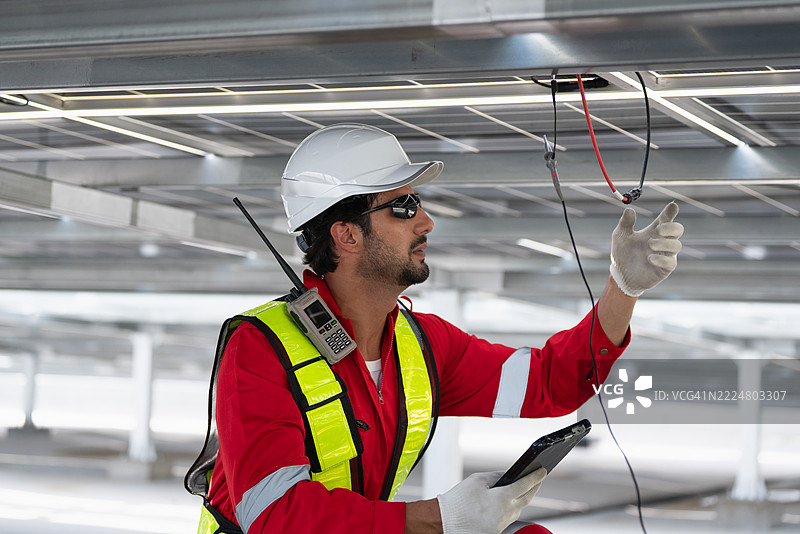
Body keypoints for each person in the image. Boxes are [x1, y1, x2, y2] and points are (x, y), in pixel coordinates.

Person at [185, 123, 684, 534]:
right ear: (346, 234)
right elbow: (273, 517)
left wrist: (623, 289)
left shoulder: (423, 344)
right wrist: (436, 519)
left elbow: (552, 384)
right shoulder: (261, 348)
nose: (426, 221)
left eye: (417, 202)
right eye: (403, 207)